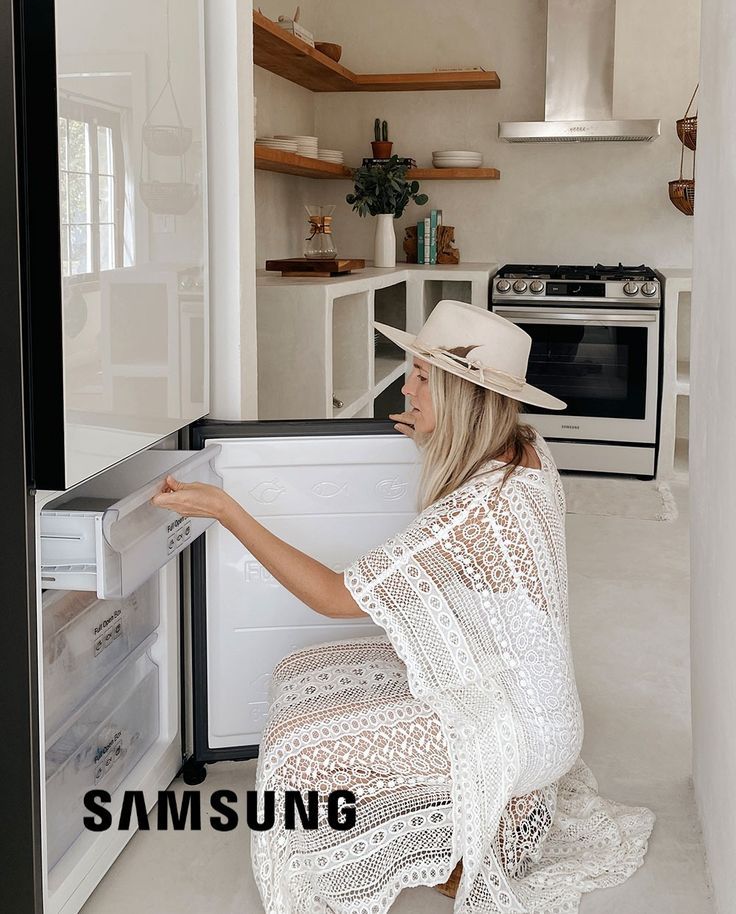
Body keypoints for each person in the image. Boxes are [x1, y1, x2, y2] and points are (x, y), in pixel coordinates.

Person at [152, 300, 655, 913]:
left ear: (464, 397)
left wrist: (227, 511)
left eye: (422, 378)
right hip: (518, 694)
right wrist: (435, 431)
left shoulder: (479, 507)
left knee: (294, 749)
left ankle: (427, 847)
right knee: (298, 674)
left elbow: (335, 597)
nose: (406, 389)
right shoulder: (525, 449)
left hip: (514, 727)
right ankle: (465, 835)